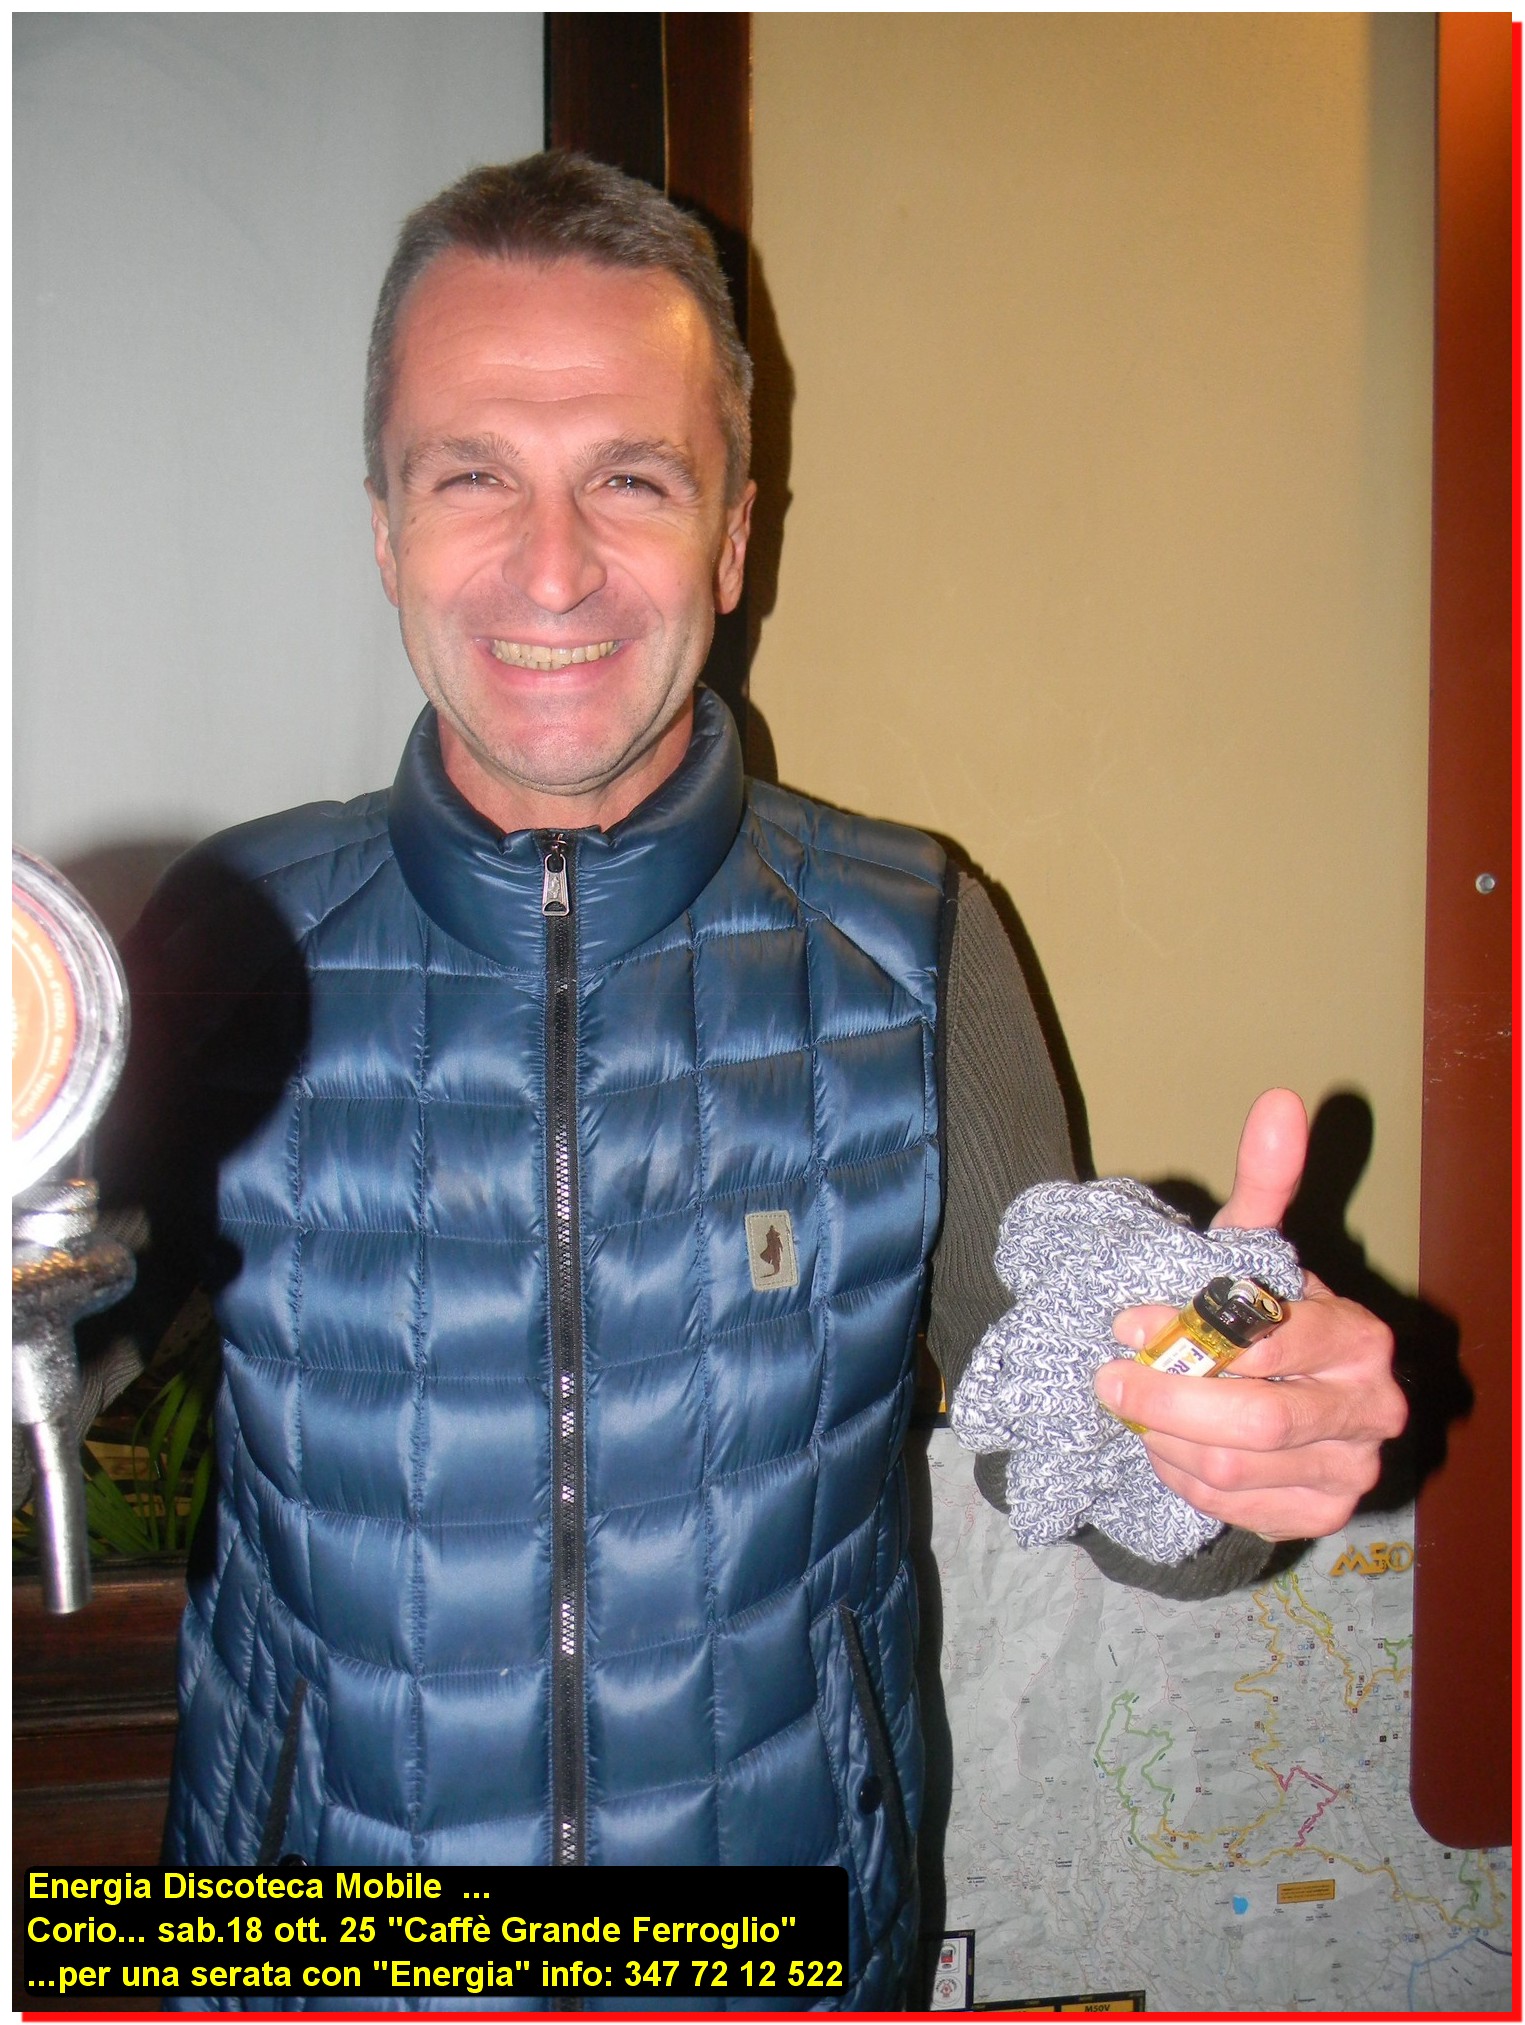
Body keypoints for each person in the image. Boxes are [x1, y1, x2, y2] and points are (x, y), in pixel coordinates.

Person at [99, 153, 1403, 2008]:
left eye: (631, 478)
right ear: (383, 529)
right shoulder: (217, 938)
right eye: (473, 475)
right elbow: (49, 1348)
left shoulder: (915, 935)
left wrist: (1226, 1423)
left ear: (731, 537)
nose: (553, 566)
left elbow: (1099, 1447)